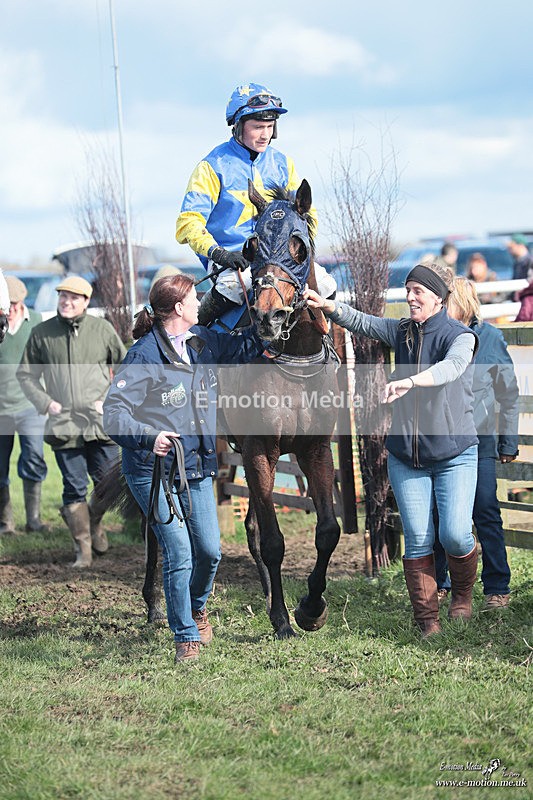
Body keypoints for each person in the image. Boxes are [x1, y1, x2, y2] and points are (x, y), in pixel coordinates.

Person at [305, 262, 480, 637]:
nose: (410, 297)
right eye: (408, 290)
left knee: (454, 535)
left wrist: (411, 381)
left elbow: (451, 368)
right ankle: (427, 620)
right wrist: (327, 306)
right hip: (406, 457)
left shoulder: (461, 336)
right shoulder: (401, 331)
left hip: (454, 455)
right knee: (418, 537)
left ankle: (462, 595)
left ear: (438, 298)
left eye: (418, 291)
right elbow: (362, 322)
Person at [103, 273, 266, 663]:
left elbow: (243, 345)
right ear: (178, 308)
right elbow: (113, 414)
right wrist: (149, 437)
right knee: (179, 552)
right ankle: (186, 636)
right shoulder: (143, 355)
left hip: (196, 466)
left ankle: (195, 606)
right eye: (195, 299)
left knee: (210, 552)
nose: (200, 303)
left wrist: (272, 321)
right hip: (151, 470)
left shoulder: (202, 341)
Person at [176, 82, 336, 325]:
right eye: (258, 127)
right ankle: (194, 332)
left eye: (270, 127)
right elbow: (188, 223)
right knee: (233, 287)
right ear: (238, 126)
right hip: (231, 259)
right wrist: (219, 253)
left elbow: (307, 216)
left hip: (279, 259)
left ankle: (341, 346)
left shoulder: (283, 164)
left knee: (326, 285)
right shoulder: (212, 166)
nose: (265, 135)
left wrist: (298, 251)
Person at [17, 276, 126, 568]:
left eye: (74, 298)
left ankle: (94, 521)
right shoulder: (41, 334)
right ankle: (83, 552)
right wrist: (45, 402)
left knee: (107, 485)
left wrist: (110, 400)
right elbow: (25, 375)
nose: (66, 302)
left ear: (86, 302)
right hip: (63, 423)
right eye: (63, 296)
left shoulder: (102, 329)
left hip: (98, 422)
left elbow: (126, 368)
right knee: (74, 487)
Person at [434, 277, 519, 610]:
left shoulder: (490, 338)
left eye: (447, 301)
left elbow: (508, 394)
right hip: (442, 439)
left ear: (463, 304)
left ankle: (497, 586)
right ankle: (440, 583)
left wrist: (508, 442)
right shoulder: (438, 336)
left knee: (485, 509)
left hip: (479, 439)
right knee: (440, 513)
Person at [0, 276, 48, 534]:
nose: (8, 311)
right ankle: (5, 522)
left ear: (20, 303)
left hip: (31, 406)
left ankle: (34, 520)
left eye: (12, 306)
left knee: (34, 459)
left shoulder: (37, 321)